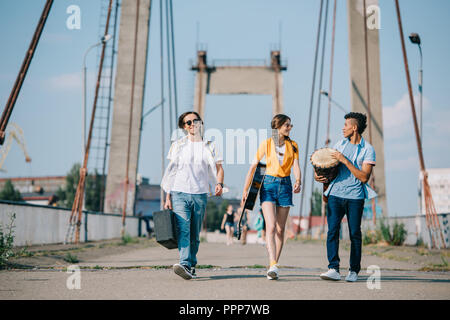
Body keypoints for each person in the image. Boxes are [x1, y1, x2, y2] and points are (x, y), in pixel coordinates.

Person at [161, 111, 224, 280]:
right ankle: (185, 263)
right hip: (179, 192)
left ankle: (191, 264)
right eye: (188, 122)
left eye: (195, 121)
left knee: (194, 233)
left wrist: (219, 184)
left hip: (200, 194)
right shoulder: (178, 145)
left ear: (200, 123)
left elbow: (219, 168)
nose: (192, 124)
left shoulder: (210, 145)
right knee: (183, 229)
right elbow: (171, 171)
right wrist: (167, 197)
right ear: (184, 127)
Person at [315, 112, 376, 283]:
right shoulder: (339, 145)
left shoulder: (368, 149)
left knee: (355, 233)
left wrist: (345, 160)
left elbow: (364, 177)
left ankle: (354, 271)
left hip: (355, 197)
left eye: (346, 125)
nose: (343, 128)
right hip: (335, 195)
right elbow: (327, 167)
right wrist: (318, 176)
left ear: (354, 128)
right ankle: (333, 268)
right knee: (332, 231)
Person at [241, 114, 301, 280]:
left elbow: (296, 165)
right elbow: (253, 167)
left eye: (290, 125)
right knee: (271, 226)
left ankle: (274, 265)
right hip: (268, 184)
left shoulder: (293, 145)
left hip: (286, 185)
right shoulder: (266, 144)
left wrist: (298, 180)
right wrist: (246, 189)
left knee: (281, 229)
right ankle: (272, 262)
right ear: (278, 127)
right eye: (287, 125)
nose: (290, 128)